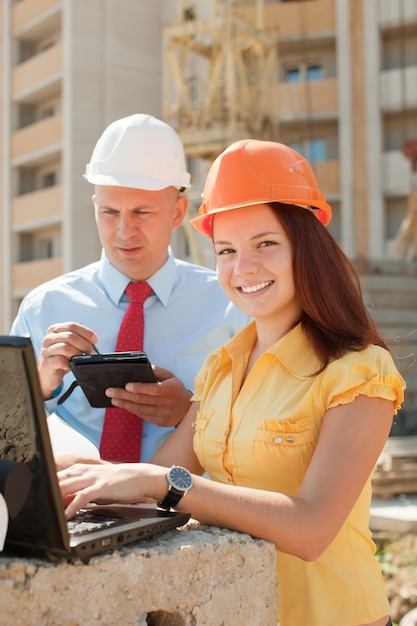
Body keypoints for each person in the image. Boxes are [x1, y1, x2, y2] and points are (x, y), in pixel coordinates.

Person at [58, 139, 405, 626]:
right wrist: (64, 463)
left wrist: (165, 483)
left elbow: (311, 529)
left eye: (265, 244)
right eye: (226, 250)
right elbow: (144, 485)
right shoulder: (221, 369)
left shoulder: (359, 371)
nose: (243, 268)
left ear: (306, 247)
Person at [11, 114, 248, 463]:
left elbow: (262, 430)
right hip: (76, 509)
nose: (124, 231)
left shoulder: (231, 306)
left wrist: (190, 413)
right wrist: (40, 386)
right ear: (95, 208)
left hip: (188, 510)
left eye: (141, 212)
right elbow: (8, 438)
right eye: (110, 211)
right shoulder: (43, 308)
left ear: (178, 211)